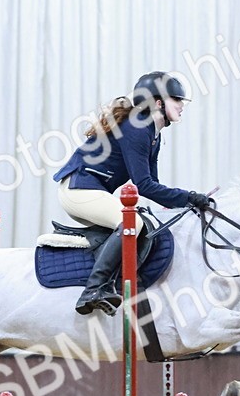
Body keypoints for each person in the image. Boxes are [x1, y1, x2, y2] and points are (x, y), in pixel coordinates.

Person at [53, 71, 212, 315]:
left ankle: (112, 282)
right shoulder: (137, 128)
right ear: (158, 103)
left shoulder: (153, 135)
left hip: (90, 190)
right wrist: (188, 196)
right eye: (177, 100)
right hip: (79, 189)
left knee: (145, 221)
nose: (182, 106)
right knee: (133, 223)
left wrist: (184, 204)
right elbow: (144, 186)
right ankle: (94, 288)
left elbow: (153, 185)